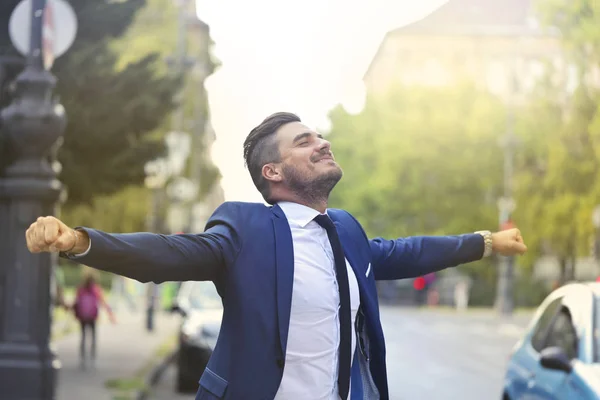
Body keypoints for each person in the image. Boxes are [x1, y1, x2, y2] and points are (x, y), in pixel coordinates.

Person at [26, 112, 527, 400]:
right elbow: (173, 254)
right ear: (272, 171)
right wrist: (81, 241)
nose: (322, 142)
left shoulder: (346, 229)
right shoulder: (246, 226)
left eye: (319, 135)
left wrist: (483, 242)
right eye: (304, 141)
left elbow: (402, 254)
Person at [72, 271, 115, 369]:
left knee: (83, 336)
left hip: (83, 317)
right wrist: (111, 315)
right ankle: (92, 357)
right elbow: (104, 302)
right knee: (93, 337)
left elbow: (76, 302)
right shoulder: (96, 289)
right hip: (92, 316)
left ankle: (82, 358)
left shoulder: (81, 289)